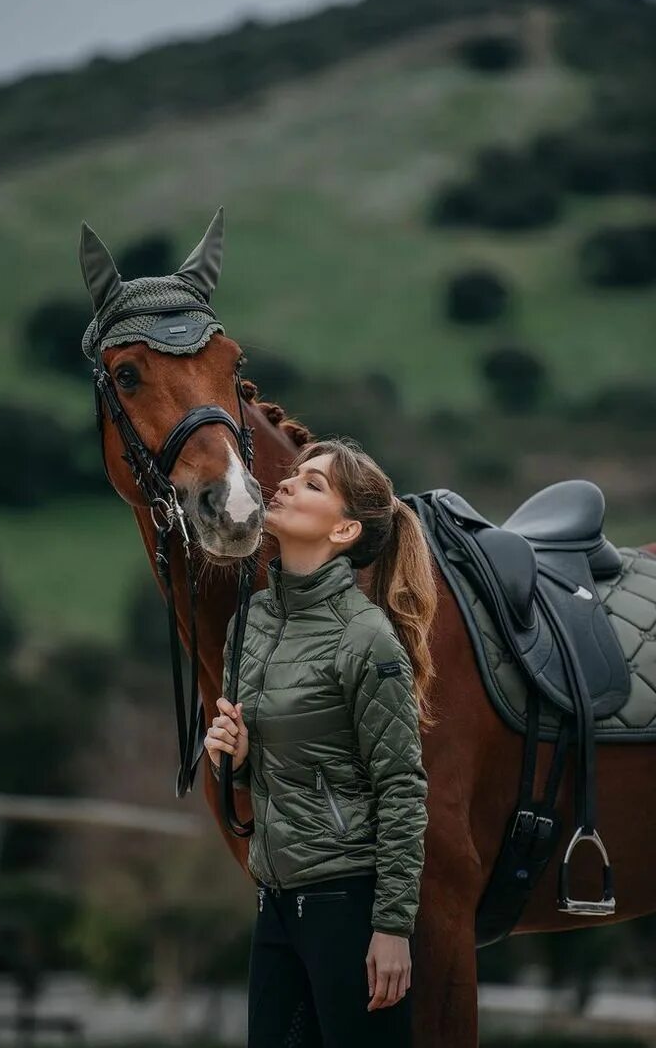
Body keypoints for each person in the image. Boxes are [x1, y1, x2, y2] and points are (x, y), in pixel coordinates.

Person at [205, 435, 438, 1048]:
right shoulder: (248, 622)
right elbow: (265, 778)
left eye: (312, 484)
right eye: (293, 473)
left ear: (343, 532)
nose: (283, 483)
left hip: (348, 903)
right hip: (275, 902)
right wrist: (235, 758)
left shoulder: (366, 639)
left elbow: (402, 788)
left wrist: (392, 928)